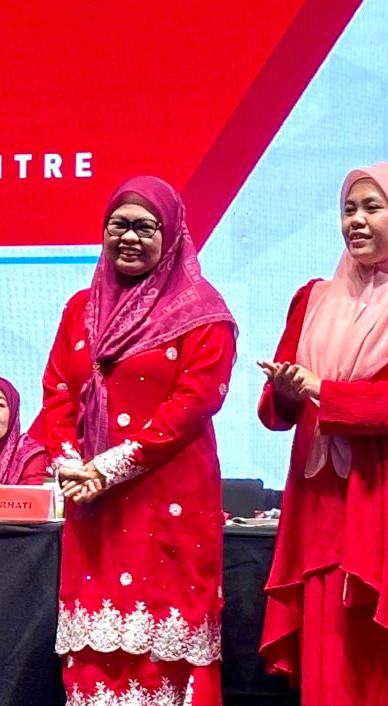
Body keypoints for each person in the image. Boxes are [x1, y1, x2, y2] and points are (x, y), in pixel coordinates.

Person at [38, 176, 236, 705]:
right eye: (117, 224)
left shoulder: (202, 312)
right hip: (93, 506)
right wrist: (69, 462)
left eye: (145, 227)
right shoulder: (80, 309)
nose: (128, 237)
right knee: (95, 652)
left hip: (169, 502)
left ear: (170, 235)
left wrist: (110, 467)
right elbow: (57, 390)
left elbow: (195, 402)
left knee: (163, 652)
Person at [258, 163, 388, 704]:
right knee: (329, 658)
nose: (356, 221)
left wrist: (324, 390)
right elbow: (275, 413)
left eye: (372, 207)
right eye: (348, 209)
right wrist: (289, 390)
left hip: (378, 500)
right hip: (318, 503)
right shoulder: (312, 299)